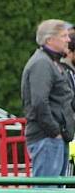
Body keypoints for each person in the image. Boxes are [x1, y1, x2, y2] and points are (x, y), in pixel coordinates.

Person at [21, 19, 75, 178]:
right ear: (50, 40)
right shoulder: (42, 64)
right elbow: (39, 102)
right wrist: (54, 131)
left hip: (57, 139)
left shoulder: (53, 62)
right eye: (64, 35)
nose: (68, 39)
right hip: (47, 139)